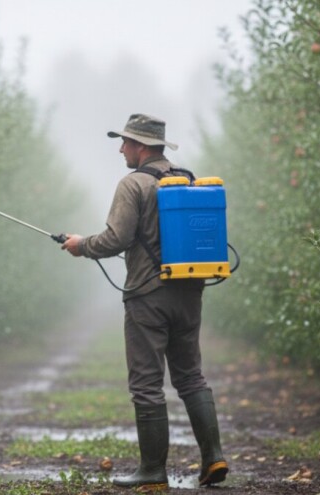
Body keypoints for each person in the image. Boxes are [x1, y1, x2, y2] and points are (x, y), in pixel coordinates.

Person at [61, 114, 228, 489]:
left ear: (140, 146)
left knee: (147, 383)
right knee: (190, 375)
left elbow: (115, 239)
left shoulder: (132, 183)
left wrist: (80, 245)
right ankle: (214, 457)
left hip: (147, 297)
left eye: (124, 142)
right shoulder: (187, 180)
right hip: (189, 293)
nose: (121, 149)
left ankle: (153, 472)